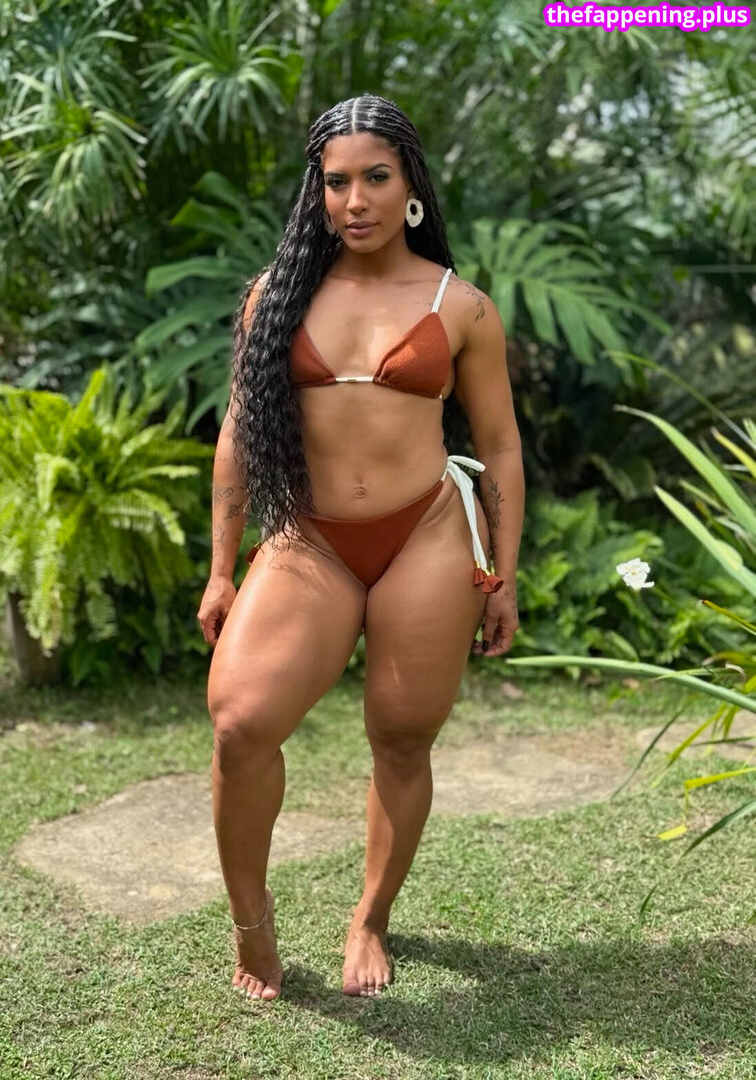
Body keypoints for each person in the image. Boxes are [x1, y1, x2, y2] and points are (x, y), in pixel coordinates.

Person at [197, 94, 524, 1003]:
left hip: (425, 532)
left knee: (403, 735)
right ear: (318, 191)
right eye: (335, 182)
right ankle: (252, 923)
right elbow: (237, 433)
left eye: (374, 177)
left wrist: (502, 574)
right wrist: (222, 568)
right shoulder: (276, 294)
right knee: (240, 722)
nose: (355, 200)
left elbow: (499, 445)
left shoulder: (460, 306)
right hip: (309, 537)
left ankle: (370, 916)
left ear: (409, 182)